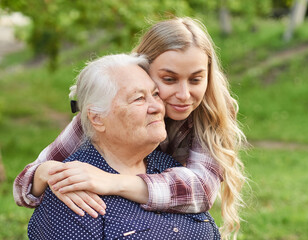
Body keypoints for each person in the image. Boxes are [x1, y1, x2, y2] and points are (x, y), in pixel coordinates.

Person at [15, 17, 245, 239]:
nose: (184, 95)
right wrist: (49, 173)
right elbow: (23, 188)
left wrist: (113, 181)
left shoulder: (212, 109)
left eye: (195, 80)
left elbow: (202, 190)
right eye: (168, 79)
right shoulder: (103, 112)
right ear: (142, 72)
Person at [28, 53, 221, 239]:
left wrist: (115, 183)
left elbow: (204, 193)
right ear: (96, 118)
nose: (157, 107)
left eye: (155, 94)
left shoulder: (169, 166)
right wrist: (44, 171)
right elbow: (26, 185)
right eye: (139, 99)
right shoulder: (73, 188)